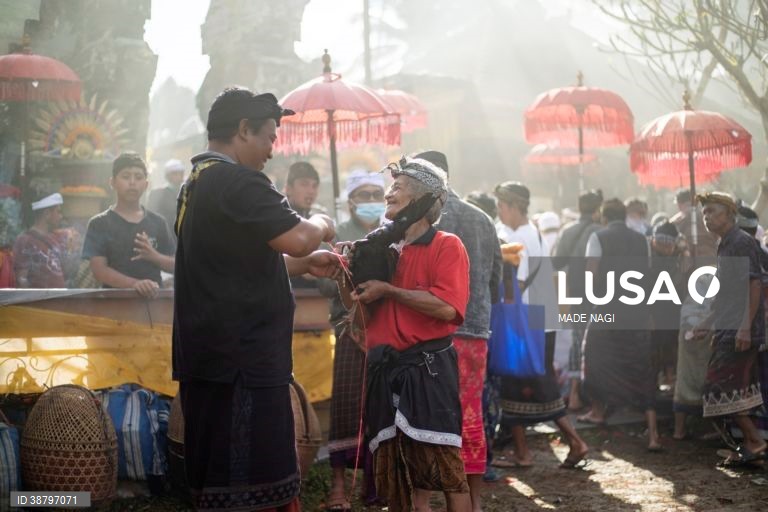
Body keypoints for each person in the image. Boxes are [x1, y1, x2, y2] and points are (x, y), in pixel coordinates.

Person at [172, 87, 339, 512]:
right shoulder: (238, 181)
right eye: (268, 137)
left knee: (217, 483)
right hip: (241, 364)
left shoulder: (196, 182)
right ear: (243, 130)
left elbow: (233, 263)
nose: (271, 150)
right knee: (252, 489)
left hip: (210, 359)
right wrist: (322, 222)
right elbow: (299, 238)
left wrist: (304, 265)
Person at [346, 156, 471, 512]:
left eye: (397, 187)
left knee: (446, 470)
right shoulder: (381, 250)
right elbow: (360, 316)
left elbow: (447, 307)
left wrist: (389, 290)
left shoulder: (446, 245)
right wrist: (345, 275)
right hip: (384, 370)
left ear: (420, 199)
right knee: (394, 474)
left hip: (427, 370)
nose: (388, 194)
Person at [418, 150, 502, 512]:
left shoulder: (420, 218)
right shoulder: (482, 218)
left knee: (423, 415)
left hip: (431, 331)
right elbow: (496, 280)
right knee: (470, 414)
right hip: (474, 332)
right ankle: (474, 502)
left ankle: (423, 501)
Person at [493, 182, 588, 469]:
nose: (499, 211)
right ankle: (524, 452)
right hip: (538, 319)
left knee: (534, 384)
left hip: (526, 322)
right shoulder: (531, 232)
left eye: (501, 206)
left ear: (513, 207)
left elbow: (517, 285)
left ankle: (574, 442)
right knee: (517, 385)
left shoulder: (519, 237)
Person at [320, 169, 386, 510]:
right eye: (365, 195)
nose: (372, 201)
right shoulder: (337, 236)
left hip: (385, 331)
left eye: (377, 195)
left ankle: (376, 483)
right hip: (349, 330)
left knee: (381, 407)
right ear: (350, 201)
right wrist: (343, 271)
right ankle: (338, 485)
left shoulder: (391, 234)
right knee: (347, 405)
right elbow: (322, 283)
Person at [578, 198, 661, 452]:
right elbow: (647, 276)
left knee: (593, 357)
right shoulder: (642, 240)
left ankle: (597, 411)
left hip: (606, 310)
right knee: (641, 368)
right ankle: (654, 435)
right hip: (636, 311)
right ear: (624, 216)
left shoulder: (598, 237)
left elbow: (590, 274)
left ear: (604, 217)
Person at [692, 193, 765, 466]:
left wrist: (744, 328)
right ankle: (748, 445)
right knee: (731, 389)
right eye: (704, 213)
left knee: (719, 386)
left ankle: (754, 441)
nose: (707, 217)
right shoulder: (725, 244)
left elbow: (754, 284)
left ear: (730, 214)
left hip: (741, 327)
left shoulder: (741, 241)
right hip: (728, 325)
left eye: (712, 211)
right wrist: (708, 323)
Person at [82, 152, 175, 299]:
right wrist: (135, 284)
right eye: (125, 177)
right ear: (112, 183)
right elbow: (99, 271)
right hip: (114, 305)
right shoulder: (99, 223)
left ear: (146, 184)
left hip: (154, 305)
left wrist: (154, 256)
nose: (132, 182)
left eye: (138, 177)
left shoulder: (158, 222)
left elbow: (176, 266)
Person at [553, 189, 603, 411]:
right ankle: (593, 396)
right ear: (598, 209)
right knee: (595, 341)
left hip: (573, 292)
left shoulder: (568, 230)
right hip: (597, 294)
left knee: (576, 339)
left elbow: (556, 262)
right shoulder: (601, 231)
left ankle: (574, 394)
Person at [13, 193, 67, 288]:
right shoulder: (25, 240)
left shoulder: (54, 239)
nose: (61, 216)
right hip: (39, 297)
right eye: (58, 212)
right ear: (47, 214)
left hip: (58, 297)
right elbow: (21, 279)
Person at [671, 188, 718, 265]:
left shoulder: (676, 221)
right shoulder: (708, 216)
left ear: (679, 204)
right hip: (711, 259)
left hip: (688, 262)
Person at [147, 158, 185, 232]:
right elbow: (151, 216)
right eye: (175, 173)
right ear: (168, 175)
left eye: (180, 173)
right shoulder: (157, 193)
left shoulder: (187, 193)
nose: (178, 176)